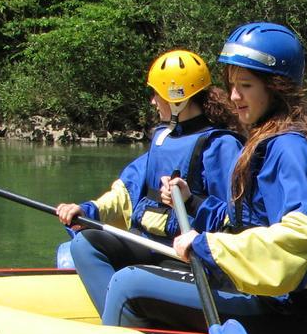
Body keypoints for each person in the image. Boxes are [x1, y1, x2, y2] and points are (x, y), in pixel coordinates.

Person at [100, 22, 307, 334]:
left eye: (245, 85)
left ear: (277, 87)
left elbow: (299, 239)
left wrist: (207, 246)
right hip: (265, 294)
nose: (233, 96)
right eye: (232, 85)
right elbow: (247, 222)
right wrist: (193, 204)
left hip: (286, 310)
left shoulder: (289, 148)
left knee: (128, 285)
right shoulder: (270, 139)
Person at [55, 50, 242, 315]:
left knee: (126, 274)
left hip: (186, 257)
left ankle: (124, 320)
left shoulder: (221, 145)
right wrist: (87, 211)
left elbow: (235, 217)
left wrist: (191, 201)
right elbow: (127, 192)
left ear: (178, 98)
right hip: (147, 243)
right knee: (83, 244)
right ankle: (125, 317)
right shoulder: (163, 138)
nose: (153, 101)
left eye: (157, 94)